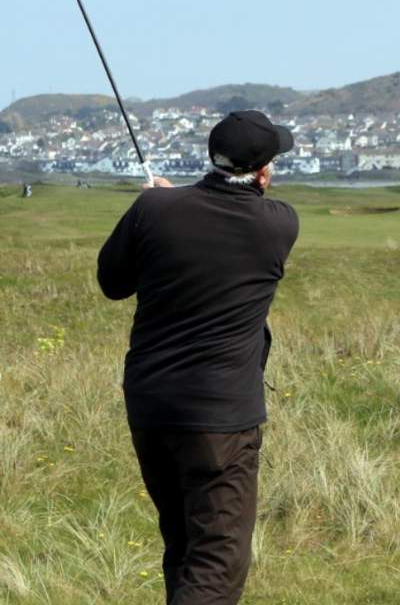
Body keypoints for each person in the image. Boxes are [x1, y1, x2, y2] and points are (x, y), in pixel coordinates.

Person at [97, 110, 299, 605]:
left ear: (212, 158)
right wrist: (165, 203)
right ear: (265, 173)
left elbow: (112, 282)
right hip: (220, 418)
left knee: (184, 543)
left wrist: (157, 203)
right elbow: (224, 215)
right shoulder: (278, 224)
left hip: (151, 405)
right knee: (217, 559)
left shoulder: (154, 211)